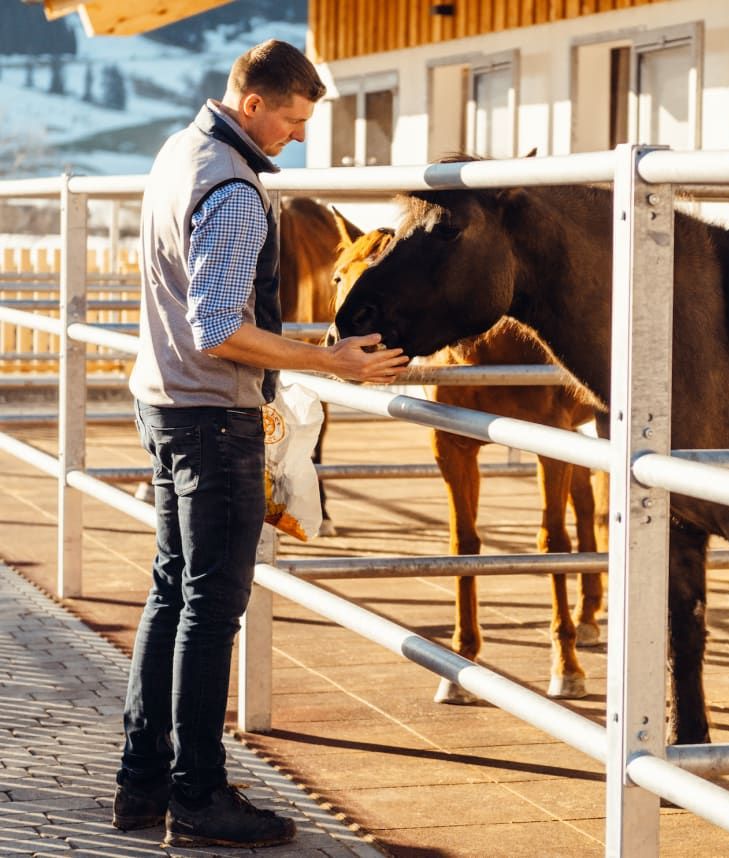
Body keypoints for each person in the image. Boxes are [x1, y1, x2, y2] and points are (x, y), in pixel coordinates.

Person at [111, 39, 408, 848]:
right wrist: (331, 361)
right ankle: (198, 796)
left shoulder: (178, 152)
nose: (299, 136)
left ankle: (142, 784)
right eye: (293, 120)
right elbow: (218, 330)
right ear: (253, 106)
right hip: (211, 416)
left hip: (162, 403)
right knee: (211, 609)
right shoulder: (237, 191)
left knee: (172, 592)